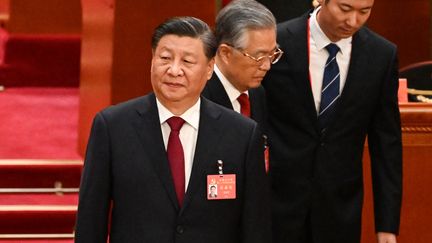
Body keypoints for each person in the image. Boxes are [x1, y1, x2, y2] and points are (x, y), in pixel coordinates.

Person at [75, 16, 271, 243]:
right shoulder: (113, 126)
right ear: (152, 60)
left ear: (209, 69)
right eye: (165, 58)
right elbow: (91, 219)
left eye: (187, 62)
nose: (174, 70)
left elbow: (256, 226)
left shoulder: (242, 134)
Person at [262, 0, 402, 242]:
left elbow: (386, 145)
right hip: (276, 203)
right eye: (345, 9)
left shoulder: (382, 55)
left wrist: (387, 224)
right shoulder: (276, 41)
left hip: (339, 210)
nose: (353, 21)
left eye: (364, 12)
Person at [202, 0, 281, 172]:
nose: (267, 65)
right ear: (226, 53)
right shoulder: (199, 95)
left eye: (272, 54)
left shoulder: (257, 92)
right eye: (258, 57)